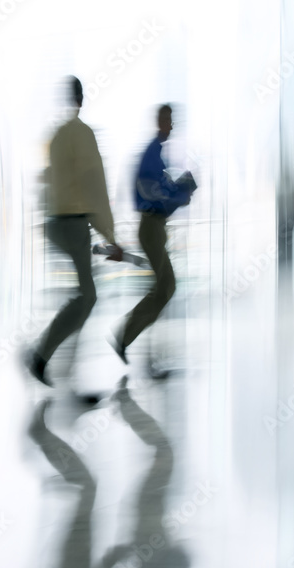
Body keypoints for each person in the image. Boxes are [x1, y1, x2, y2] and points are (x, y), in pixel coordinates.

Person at [26, 76, 123, 386]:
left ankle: (58, 357)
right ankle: (42, 355)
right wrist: (110, 237)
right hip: (73, 223)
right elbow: (94, 186)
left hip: (56, 223)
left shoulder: (55, 137)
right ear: (80, 98)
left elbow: (48, 182)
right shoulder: (83, 134)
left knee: (84, 295)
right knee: (87, 296)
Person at [112, 104, 193, 362]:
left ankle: (127, 335)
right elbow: (153, 191)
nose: (172, 125)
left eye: (173, 120)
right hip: (150, 228)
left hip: (154, 228)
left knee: (164, 287)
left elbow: (158, 189)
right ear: (159, 121)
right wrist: (180, 192)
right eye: (168, 120)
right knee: (166, 286)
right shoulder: (152, 152)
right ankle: (125, 334)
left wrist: (178, 191)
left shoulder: (156, 154)